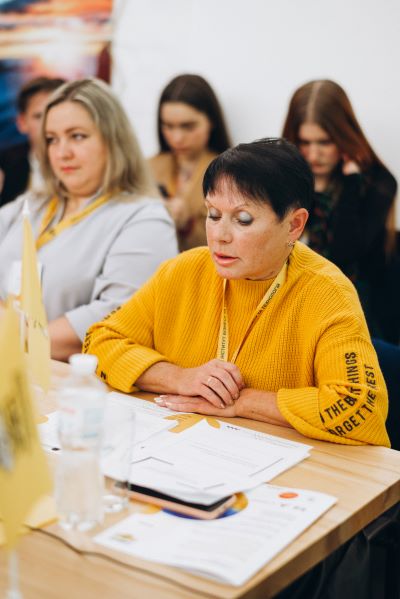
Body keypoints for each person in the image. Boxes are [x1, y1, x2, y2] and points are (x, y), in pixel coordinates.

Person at [84, 138, 389, 447]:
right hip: (179, 448)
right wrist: (179, 378)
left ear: (294, 225)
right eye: (213, 214)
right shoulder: (183, 270)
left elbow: (360, 407)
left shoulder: (328, 292)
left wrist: (244, 402)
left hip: (280, 463)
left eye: (243, 219)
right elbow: (99, 342)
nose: (220, 235)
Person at [0, 78, 178, 361]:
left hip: (71, 381)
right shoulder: (33, 204)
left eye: (77, 136)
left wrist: (12, 336)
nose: (62, 153)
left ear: (113, 140)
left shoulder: (145, 219)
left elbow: (113, 321)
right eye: (52, 139)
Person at [282, 79, 398, 340]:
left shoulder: (377, 183)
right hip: (292, 301)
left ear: (344, 136)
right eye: (305, 142)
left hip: (358, 308)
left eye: (324, 142)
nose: (313, 154)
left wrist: (351, 186)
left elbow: (344, 254)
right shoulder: (286, 178)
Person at [149, 74, 231, 251]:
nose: (177, 138)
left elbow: (233, 242)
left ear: (211, 121)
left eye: (188, 126)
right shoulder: (148, 168)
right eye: (168, 126)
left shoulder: (230, 174)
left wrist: (188, 225)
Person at [0, 76, 66, 207]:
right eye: (39, 116)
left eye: (56, 114)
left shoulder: (92, 165)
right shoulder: (5, 166)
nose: (48, 124)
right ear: (22, 122)